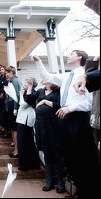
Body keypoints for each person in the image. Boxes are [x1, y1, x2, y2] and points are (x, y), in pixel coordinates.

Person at [32, 51, 100, 198]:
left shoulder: (85, 74)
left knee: (82, 157)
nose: (68, 56)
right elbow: (47, 77)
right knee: (70, 158)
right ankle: (79, 191)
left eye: (72, 54)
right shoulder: (67, 76)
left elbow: (88, 102)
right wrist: (38, 61)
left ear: (79, 57)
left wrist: (70, 108)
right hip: (64, 119)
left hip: (78, 118)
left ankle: (88, 192)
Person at [31, 81, 64, 193]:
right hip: (41, 126)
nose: (43, 80)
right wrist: (29, 87)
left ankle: (60, 181)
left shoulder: (57, 91)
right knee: (47, 154)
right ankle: (49, 181)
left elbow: (60, 105)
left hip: (53, 126)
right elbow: (29, 98)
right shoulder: (40, 91)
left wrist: (45, 101)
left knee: (57, 154)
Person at [16, 77, 41, 172]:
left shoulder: (34, 93)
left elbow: (23, 104)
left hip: (26, 120)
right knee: (27, 141)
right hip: (22, 119)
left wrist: (21, 95)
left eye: (27, 81)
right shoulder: (28, 92)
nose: (25, 83)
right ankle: (32, 163)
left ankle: (24, 164)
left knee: (23, 141)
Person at [4, 66, 22, 158]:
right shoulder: (11, 81)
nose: (6, 74)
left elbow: (17, 96)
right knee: (12, 128)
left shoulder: (15, 81)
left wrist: (15, 108)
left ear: (12, 72)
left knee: (15, 129)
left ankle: (17, 151)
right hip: (10, 106)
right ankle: (15, 149)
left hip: (14, 106)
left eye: (7, 72)